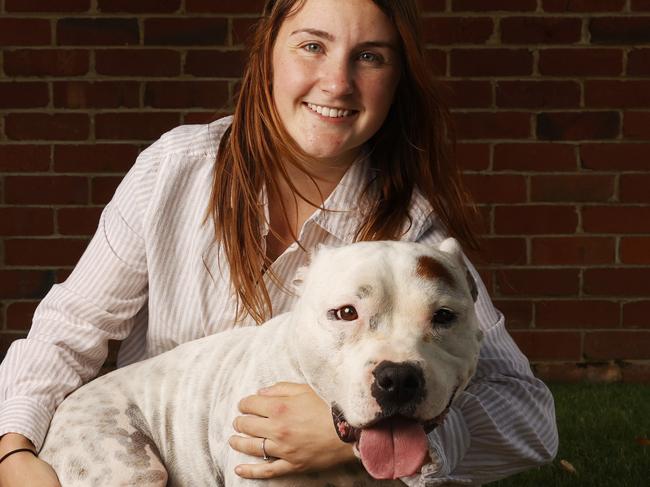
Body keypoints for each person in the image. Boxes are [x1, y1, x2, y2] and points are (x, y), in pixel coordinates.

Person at [0, 0, 558, 485]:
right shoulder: (176, 169)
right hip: (160, 450)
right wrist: (14, 449)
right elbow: (69, 331)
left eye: (370, 56)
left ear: (398, 77)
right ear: (267, 53)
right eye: (312, 46)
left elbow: (528, 419)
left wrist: (342, 436)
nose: (337, 83)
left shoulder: (415, 243)